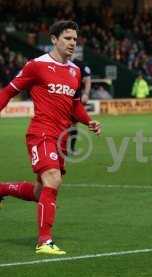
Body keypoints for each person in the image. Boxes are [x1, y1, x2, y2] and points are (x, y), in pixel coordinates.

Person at [0, 21, 101, 255]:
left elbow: (74, 105)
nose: (72, 43)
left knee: (40, 192)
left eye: (75, 39)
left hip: (62, 138)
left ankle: (2, 189)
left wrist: (88, 121)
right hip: (41, 132)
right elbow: (8, 91)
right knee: (53, 179)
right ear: (54, 39)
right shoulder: (36, 66)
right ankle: (44, 241)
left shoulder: (75, 71)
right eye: (67, 38)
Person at [68, 58, 92, 155]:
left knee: (73, 124)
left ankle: (71, 149)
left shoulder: (78, 64)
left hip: (74, 100)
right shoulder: (54, 62)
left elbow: (87, 79)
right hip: (59, 99)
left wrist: (86, 93)